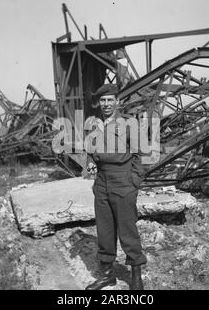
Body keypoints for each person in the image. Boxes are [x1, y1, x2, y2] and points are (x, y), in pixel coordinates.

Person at [85, 84, 147, 290]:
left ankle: (136, 277)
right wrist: (91, 160)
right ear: (99, 103)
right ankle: (107, 276)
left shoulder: (129, 124)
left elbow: (141, 155)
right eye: (103, 100)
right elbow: (90, 148)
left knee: (128, 231)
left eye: (110, 100)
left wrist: (134, 182)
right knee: (104, 230)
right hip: (102, 181)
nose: (106, 104)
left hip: (123, 181)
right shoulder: (94, 124)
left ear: (117, 102)